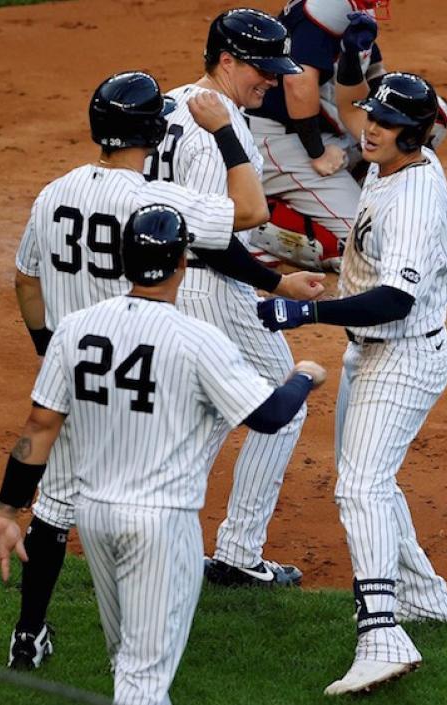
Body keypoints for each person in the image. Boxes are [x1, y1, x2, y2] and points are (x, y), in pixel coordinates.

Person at [6, 69, 302, 670]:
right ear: (151, 132)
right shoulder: (152, 203)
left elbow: (26, 280)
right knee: (153, 494)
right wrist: (224, 132)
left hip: (74, 368)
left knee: (55, 507)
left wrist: (47, 346)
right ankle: (150, 637)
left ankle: (27, 635)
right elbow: (249, 209)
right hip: (132, 361)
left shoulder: (51, 192)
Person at [0, 204, 325, 705]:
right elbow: (270, 416)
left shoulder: (75, 329)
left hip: (95, 517)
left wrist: (7, 510)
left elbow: (39, 426)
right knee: (144, 681)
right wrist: (303, 377)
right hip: (161, 527)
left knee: (129, 663)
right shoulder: (197, 340)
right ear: (182, 263)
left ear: (123, 260)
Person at [256, 69, 447, 695]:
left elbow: (395, 300)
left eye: (387, 123)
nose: (370, 128)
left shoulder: (416, 200)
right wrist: (323, 268)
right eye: (370, 115)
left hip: (400, 355)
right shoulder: (391, 164)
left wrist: (307, 311)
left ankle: (382, 632)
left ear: (415, 134)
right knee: (369, 478)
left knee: (360, 487)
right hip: (373, 352)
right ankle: (424, 596)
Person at [144, 7, 326, 589]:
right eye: (262, 71)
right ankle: (239, 552)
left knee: (208, 412)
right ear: (227, 61)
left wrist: (283, 249)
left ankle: (164, 537)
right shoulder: (219, 129)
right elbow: (214, 238)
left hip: (169, 279)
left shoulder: (169, 104)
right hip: (209, 287)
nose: (271, 82)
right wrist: (278, 282)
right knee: (281, 403)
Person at [242, 0, 447, 274]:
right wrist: (317, 152)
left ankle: (361, 191)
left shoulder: (350, 9)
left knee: (432, 116)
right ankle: (257, 226)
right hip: (280, 140)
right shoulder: (323, 10)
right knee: (368, 241)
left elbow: (371, 78)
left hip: (323, 130)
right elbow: (297, 83)